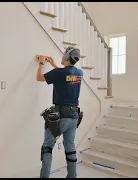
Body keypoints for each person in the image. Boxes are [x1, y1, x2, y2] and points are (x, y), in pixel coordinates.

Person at [36, 46, 83, 178]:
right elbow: (65, 75)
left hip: (59, 118)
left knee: (47, 147)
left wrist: (41, 62)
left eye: (63, 54)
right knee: (70, 147)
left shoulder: (59, 73)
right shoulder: (79, 73)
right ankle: (72, 176)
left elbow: (39, 77)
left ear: (67, 57)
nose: (62, 56)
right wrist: (53, 64)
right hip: (74, 117)